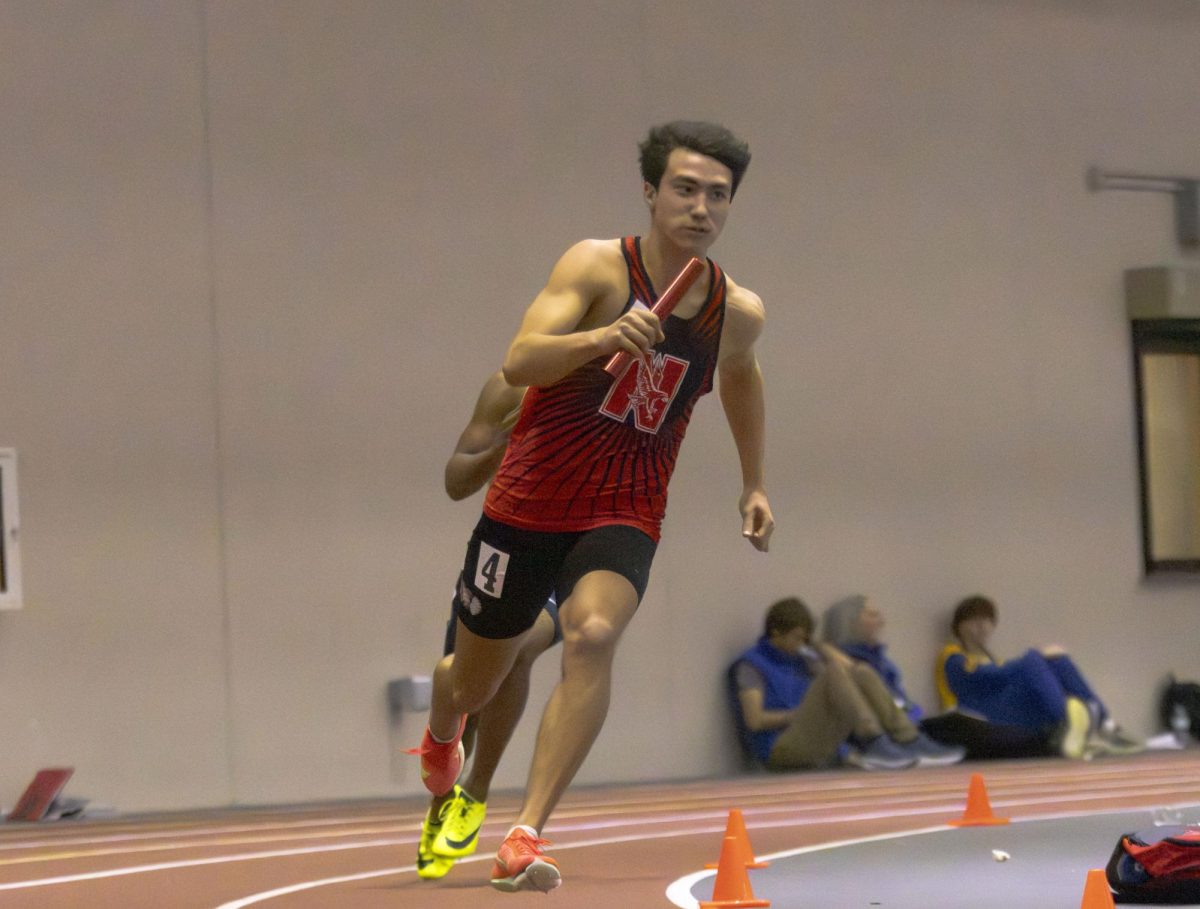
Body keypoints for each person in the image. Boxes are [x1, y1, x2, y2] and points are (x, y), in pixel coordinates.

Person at [410, 120, 775, 894]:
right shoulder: (597, 266)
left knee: (595, 632)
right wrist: (605, 336)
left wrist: (754, 481)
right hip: (528, 504)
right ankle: (444, 732)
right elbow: (520, 358)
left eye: (718, 195)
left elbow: (740, 375)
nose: (701, 207)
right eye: (684, 188)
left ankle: (524, 830)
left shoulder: (734, 310)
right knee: (474, 682)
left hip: (626, 505)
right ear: (651, 191)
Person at [416, 373, 563, 880]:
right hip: (505, 547)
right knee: (467, 693)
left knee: (521, 646)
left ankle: (476, 792)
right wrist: (502, 449)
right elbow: (456, 481)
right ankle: (441, 801)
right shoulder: (512, 384)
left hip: (574, 552)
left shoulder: (626, 379)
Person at [733, 598, 964, 771]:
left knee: (861, 670)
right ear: (776, 634)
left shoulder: (802, 660)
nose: (800, 645)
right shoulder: (752, 665)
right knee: (833, 672)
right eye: (796, 638)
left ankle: (908, 738)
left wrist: (820, 647)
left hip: (815, 740)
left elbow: (851, 669)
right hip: (779, 749)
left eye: (805, 639)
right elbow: (754, 721)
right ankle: (872, 739)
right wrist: (797, 715)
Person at [935, 594, 1142, 759]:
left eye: (987, 621)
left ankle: (1105, 724)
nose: (981, 627)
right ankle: (1068, 722)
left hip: (1008, 715)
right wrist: (1035, 656)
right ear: (959, 626)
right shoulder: (952, 657)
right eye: (973, 621)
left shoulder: (995, 660)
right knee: (1032, 660)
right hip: (977, 717)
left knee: (1057, 661)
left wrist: (1042, 659)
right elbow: (985, 678)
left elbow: (1004, 674)